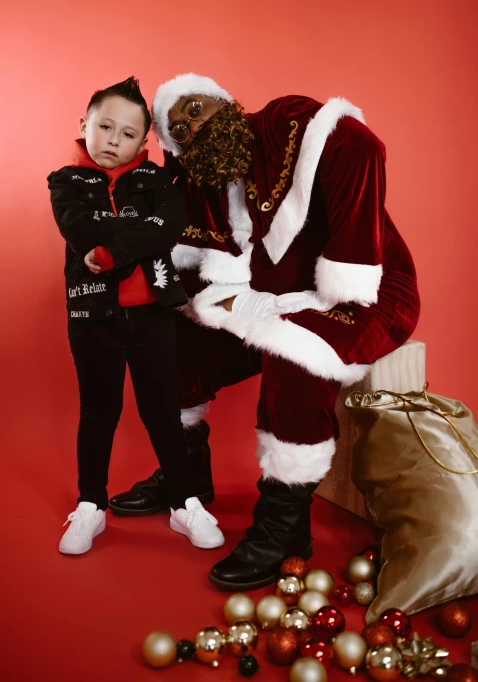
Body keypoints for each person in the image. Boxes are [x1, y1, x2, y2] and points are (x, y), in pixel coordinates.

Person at [109, 73, 421, 590]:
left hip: (365, 292)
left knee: (292, 355)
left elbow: (361, 144)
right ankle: (185, 474)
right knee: (169, 340)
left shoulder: (281, 123)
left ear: (221, 100)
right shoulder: (196, 187)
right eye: (178, 128)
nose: (191, 123)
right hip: (269, 301)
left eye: (194, 107)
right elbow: (183, 263)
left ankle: (285, 530)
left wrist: (348, 264)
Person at [48, 77, 224, 555]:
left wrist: (111, 250)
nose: (113, 141)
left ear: (143, 142)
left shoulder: (155, 182)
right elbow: (81, 229)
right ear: (85, 125)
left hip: (152, 316)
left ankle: (185, 504)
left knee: (163, 412)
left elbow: (167, 225)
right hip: (93, 316)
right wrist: (131, 232)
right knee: (99, 412)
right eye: (105, 127)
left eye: (127, 135)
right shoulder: (65, 183)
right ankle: (91, 506)